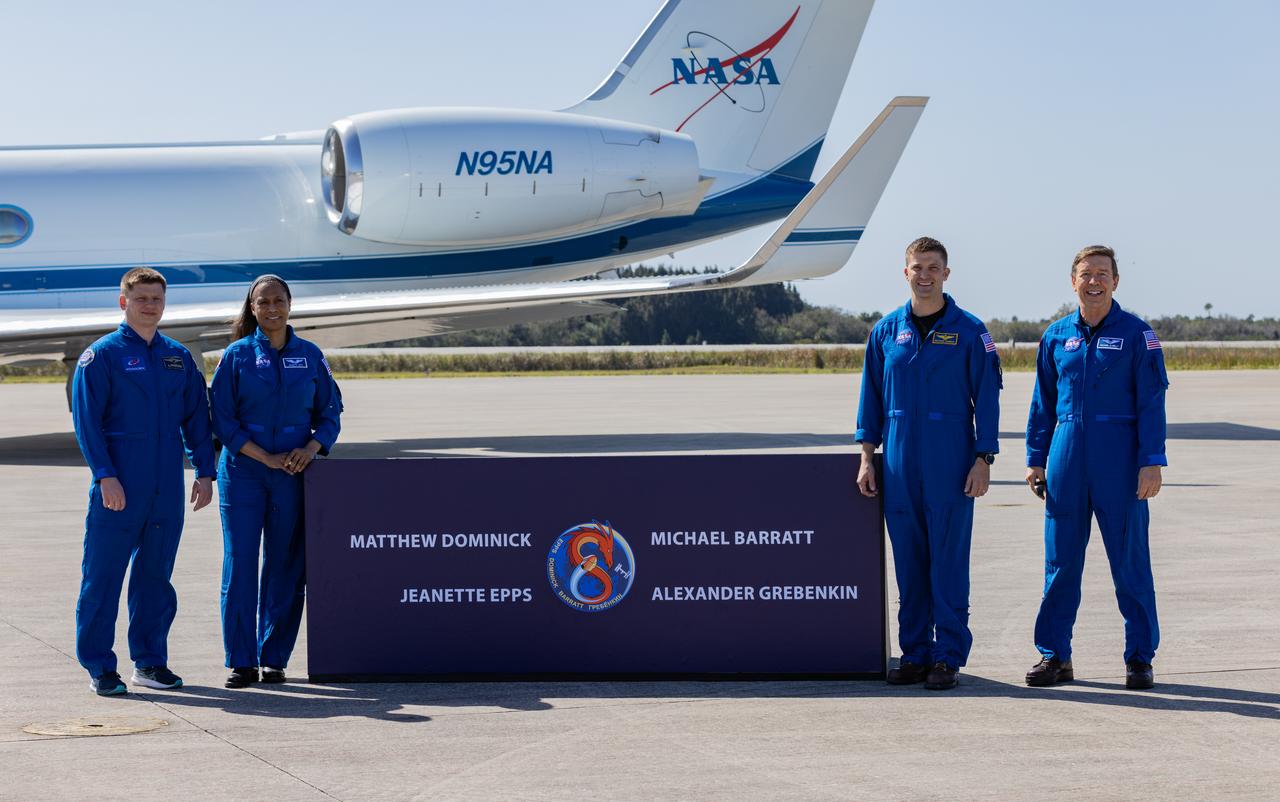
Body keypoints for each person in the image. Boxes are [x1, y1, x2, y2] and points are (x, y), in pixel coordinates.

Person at [856, 237, 1002, 690]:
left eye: (933, 268)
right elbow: (871, 401)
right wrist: (867, 457)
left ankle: (947, 656)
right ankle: (915, 653)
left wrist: (983, 458)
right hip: (899, 463)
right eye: (917, 267)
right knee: (910, 563)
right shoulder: (885, 332)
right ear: (906, 273)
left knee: (948, 562)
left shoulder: (971, 331)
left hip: (952, 461)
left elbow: (988, 401)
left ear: (946, 273)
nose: (925, 275)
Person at [1024, 245, 1168, 690]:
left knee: (1130, 564)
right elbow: (1042, 404)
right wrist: (1035, 458)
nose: (1094, 281)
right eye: (1086, 274)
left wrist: (1151, 462)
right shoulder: (1055, 337)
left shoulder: (1137, 336)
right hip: (1066, 455)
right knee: (1060, 561)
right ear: (1073, 281)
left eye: (1102, 274)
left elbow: (1151, 403)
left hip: (1119, 459)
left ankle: (1139, 658)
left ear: (1115, 281)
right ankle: (1054, 656)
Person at [71, 267, 216, 696]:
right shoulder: (102, 356)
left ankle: (150, 662)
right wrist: (105, 477)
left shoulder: (177, 357)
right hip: (120, 485)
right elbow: (87, 424)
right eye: (141, 299)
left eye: (156, 299)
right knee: (103, 579)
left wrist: (205, 471)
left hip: (165, 487)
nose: (150, 305)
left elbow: (196, 417)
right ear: (124, 303)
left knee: (156, 578)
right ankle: (100, 666)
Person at [211, 274, 342, 688]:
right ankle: (241, 660)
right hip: (245, 474)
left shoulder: (310, 355)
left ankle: (274, 658)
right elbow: (222, 419)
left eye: (278, 301)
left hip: (292, 475)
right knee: (241, 563)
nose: (271, 309)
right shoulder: (236, 356)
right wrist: (262, 455)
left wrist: (312, 448)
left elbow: (330, 412)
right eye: (263, 302)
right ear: (252, 308)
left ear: (290, 304)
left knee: (285, 566)